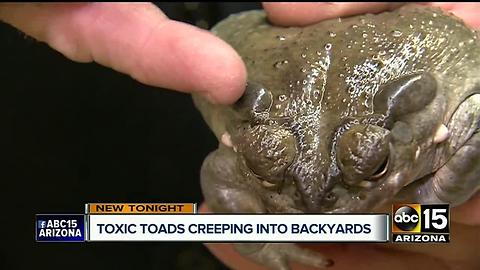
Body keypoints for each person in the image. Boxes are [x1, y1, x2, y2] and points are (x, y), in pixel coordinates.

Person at [1, 2, 478, 269]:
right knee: (57, 230)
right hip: (59, 188)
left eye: (371, 165)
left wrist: (439, 197)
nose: (315, 199)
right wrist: (260, 240)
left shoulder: (430, 101)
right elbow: (223, 172)